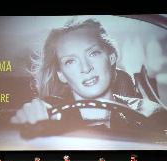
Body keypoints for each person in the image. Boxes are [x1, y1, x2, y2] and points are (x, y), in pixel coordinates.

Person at [10, 18, 166, 133]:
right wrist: (33, 119)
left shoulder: (149, 113)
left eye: (93, 53)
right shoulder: (50, 114)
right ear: (61, 75)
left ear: (111, 57)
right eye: (70, 61)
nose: (85, 68)